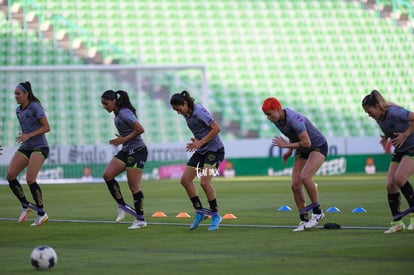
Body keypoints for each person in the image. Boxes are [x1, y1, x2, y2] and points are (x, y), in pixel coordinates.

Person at [262, 97, 327, 232]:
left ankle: (318, 211)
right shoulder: (277, 120)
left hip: (317, 146)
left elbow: (307, 142)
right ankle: (304, 220)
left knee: (305, 177)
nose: (268, 118)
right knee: (295, 184)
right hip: (302, 148)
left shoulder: (294, 119)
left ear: (278, 109)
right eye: (266, 115)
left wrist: (286, 146)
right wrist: (290, 151)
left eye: (269, 114)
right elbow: (292, 134)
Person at [170, 91, 225, 231]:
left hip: (214, 151)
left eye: (178, 109)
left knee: (205, 183)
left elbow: (216, 128)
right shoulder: (187, 114)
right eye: (175, 110)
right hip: (202, 150)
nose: (178, 112)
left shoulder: (199, 112)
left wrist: (200, 142)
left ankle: (215, 214)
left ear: (185, 103)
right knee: (185, 180)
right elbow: (201, 131)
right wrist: (197, 141)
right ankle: (200, 211)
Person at [362, 90, 414, 233]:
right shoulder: (379, 118)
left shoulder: (395, 112)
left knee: (400, 178)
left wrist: (405, 135)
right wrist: (386, 137)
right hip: (400, 150)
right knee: (390, 184)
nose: (369, 115)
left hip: (412, 146)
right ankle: (397, 222)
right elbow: (391, 127)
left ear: (378, 106)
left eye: (370, 111)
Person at [101, 90, 148, 230]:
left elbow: (140, 129)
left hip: (138, 150)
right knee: (107, 175)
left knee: (134, 186)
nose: (104, 106)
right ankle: (122, 205)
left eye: (106, 103)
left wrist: (123, 139)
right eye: (103, 104)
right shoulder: (118, 114)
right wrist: (122, 138)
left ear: (114, 101)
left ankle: (140, 219)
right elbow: (129, 132)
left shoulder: (124, 112)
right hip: (127, 150)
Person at [6, 81, 50, 226]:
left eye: (18, 94)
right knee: (11, 176)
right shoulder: (18, 110)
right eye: (15, 94)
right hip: (26, 146)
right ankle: (25, 205)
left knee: (30, 179)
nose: (16, 96)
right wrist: (25, 137)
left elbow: (46, 127)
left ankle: (42, 213)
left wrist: (29, 135)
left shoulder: (35, 107)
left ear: (26, 94)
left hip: (40, 147)